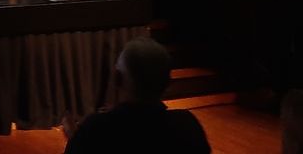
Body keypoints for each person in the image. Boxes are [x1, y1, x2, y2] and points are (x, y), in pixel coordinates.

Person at [62, 36, 210, 153]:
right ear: (167, 82)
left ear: (118, 79)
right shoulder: (188, 126)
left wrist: (74, 138)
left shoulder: (95, 129)